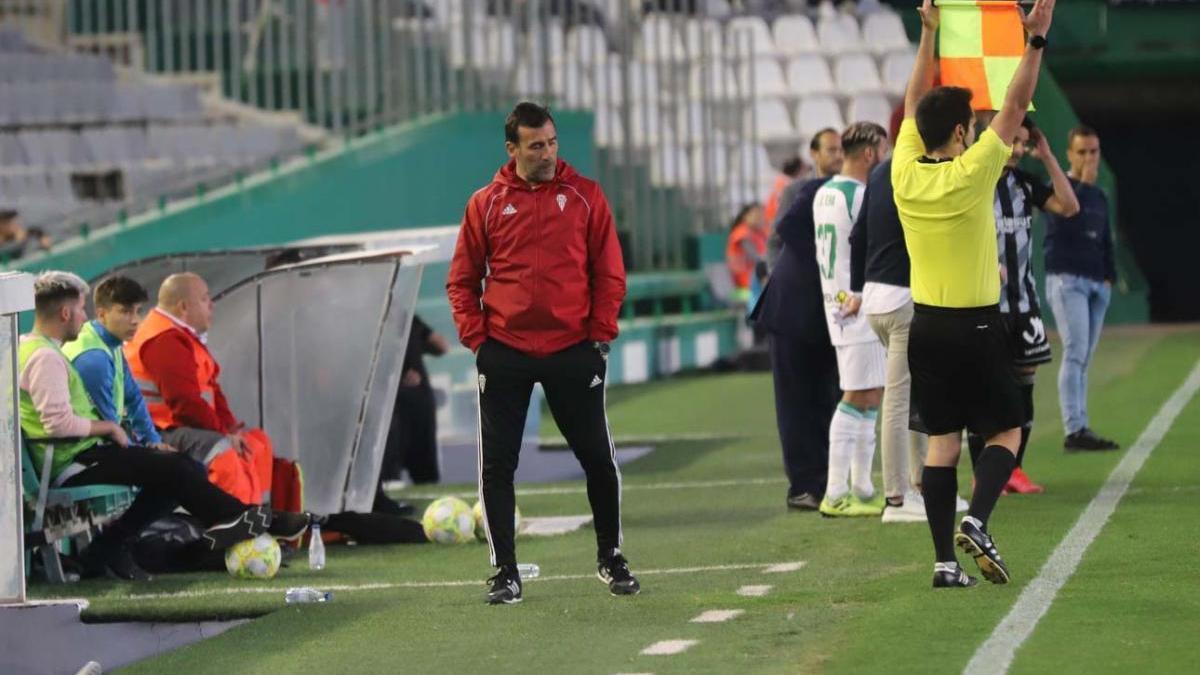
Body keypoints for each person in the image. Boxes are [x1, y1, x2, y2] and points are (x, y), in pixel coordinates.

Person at [893, 0, 1057, 588]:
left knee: (941, 444)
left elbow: (914, 105)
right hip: (980, 326)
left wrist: (928, 34)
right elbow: (1014, 105)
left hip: (927, 328)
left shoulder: (903, 171)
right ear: (962, 133)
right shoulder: (975, 171)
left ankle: (943, 563)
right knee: (1006, 432)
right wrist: (1034, 41)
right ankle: (979, 521)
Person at [447, 102, 636, 605]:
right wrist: (478, 341)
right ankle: (505, 572)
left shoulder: (587, 197)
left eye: (551, 142)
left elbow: (609, 273)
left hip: (573, 348)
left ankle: (610, 558)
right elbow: (462, 281)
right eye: (536, 145)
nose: (548, 153)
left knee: (598, 457)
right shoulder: (485, 203)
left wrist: (599, 336)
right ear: (512, 150)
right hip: (504, 351)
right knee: (497, 467)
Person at [18, 272, 303, 580]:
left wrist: (144, 440)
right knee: (178, 469)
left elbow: (128, 401)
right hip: (73, 462)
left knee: (182, 469)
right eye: (81, 308)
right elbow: (57, 423)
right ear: (65, 313)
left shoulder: (38, 350)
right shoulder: (47, 357)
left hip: (84, 455)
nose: (84, 316)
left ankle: (108, 549)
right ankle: (250, 519)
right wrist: (109, 429)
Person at [965, 117, 1082, 493]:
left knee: (1023, 385)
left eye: (1023, 143)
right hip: (983, 305)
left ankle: (1013, 470)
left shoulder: (1023, 183)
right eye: (1012, 141)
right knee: (983, 388)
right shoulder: (973, 183)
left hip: (1023, 303)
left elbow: (1068, 206)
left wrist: (1047, 156)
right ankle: (984, 471)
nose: (1017, 149)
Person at [125, 273, 276, 507]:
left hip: (180, 427)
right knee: (224, 451)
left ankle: (261, 521)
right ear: (184, 306)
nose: (212, 304)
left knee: (256, 443)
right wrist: (225, 435)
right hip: (159, 431)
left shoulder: (180, 336)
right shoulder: (164, 340)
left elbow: (212, 390)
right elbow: (184, 402)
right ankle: (233, 529)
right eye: (205, 299)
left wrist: (231, 428)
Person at [812, 121, 890, 518]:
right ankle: (836, 491)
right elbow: (867, 249)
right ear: (871, 153)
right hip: (854, 307)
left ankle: (861, 486)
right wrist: (857, 295)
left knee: (871, 393)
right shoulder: (860, 196)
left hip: (838, 303)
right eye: (885, 148)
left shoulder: (824, 193)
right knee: (857, 394)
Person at [751, 182, 840, 511]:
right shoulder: (816, 192)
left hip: (823, 311)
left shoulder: (840, 191)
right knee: (798, 402)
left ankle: (828, 480)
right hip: (793, 310)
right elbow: (784, 231)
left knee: (829, 397)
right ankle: (804, 485)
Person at [1044, 125, 1120, 452]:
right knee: (1075, 352)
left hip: (1095, 282)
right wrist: (1084, 187)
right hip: (1068, 279)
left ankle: (1081, 425)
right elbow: (1066, 225)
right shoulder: (1058, 189)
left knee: (1084, 355)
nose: (1090, 158)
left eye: (1094, 151)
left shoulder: (1099, 195)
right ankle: (1074, 430)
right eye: (1083, 152)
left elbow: (1104, 238)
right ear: (1069, 155)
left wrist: (1109, 276)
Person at [63, 276, 170, 451]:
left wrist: (153, 440)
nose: (135, 320)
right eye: (126, 312)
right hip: (86, 451)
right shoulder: (93, 358)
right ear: (102, 314)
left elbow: (134, 398)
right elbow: (111, 431)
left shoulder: (111, 343)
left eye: (138, 311)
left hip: (105, 442)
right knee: (180, 469)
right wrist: (148, 451)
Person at [380, 314, 449, 486]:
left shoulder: (406, 319)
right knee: (408, 446)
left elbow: (441, 346)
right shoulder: (407, 318)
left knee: (398, 445)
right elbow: (440, 345)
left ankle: (392, 481)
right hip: (404, 396)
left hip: (403, 395)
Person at [767, 129, 844, 269]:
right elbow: (776, 240)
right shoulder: (795, 191)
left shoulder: (850, 189)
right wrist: (776, 277)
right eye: (832, 150)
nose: (838, 156)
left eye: (841, 150)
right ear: (814, 154)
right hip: (806, 280)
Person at [726, 202, 768, 305]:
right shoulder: (741, 233)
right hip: (743, 282)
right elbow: (757, 258)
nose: (759, 218)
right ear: (746, 216)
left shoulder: (760, 233)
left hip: (758, 278)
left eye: (761, 215)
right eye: (756, 215)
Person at [763, 156, 805, 227]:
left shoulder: (779, 180)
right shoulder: (789, 185)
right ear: (798, 170)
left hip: (771, 219)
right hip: (778, 221)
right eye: (803, 169)